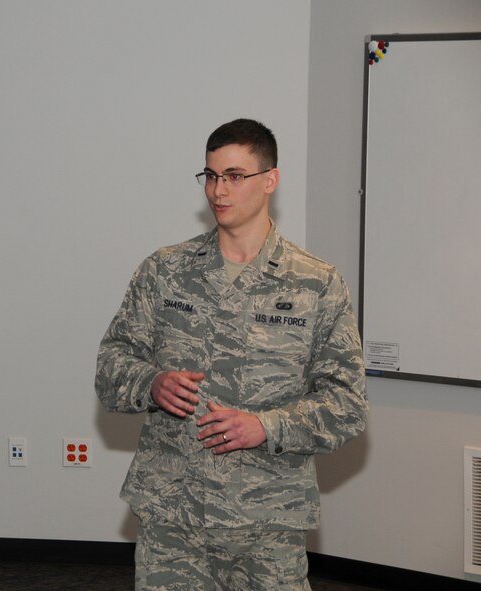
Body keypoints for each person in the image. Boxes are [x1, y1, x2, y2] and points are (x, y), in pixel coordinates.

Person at [95, 118, 368, 590]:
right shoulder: (165, 271)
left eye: (235, 176)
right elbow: (111, 366)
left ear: (270, 180)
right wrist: (151, 384)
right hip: (173, 516)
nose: (220, 190)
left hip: (268, 521)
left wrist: (264, 426)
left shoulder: (316, 284)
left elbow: (346, 405)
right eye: (211, 175)